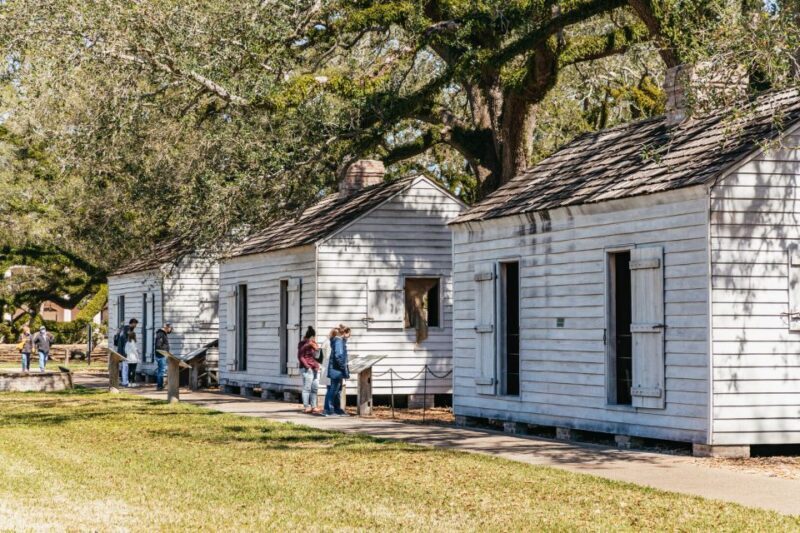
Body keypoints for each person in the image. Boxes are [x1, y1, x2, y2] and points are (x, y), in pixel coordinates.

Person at [323, 325, 350, 417]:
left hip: (336, 370)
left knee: (337, 390)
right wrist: (343, 367)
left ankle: (337, 409)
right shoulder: (338, 341)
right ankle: (329, 410)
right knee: (334, 390)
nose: (349, 336)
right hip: (337, 370)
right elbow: (339, 356)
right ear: (345, 333)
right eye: (349, 334)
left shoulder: (337, 340)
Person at [297, 326, 321, 414]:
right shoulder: (302, 344)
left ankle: (314, 406)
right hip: (306, 368)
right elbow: (300, 356)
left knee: (314, 388)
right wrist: (307, 366)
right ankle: (306, 406)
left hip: (314, 367)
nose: (314, 338)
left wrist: (316, 348)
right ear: (310, 336)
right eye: (313, 337)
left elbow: (317, 356)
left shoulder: (314, 343)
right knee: (307, 388)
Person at [115, 318, 138, 385]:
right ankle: (125, 381)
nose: (136, 326)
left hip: (124, 352)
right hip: (125, 352)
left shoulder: (125, 329)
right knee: (125, 368)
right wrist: (126, 353)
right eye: (135, 324)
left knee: (125, 367)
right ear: (132, 323)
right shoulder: (127, 331)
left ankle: (125, 381)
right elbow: (126, 343)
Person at [154, 323, 173, 391]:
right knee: (161, 371)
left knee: (160, 370)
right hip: (161, 355)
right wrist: (165, 350)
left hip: (162, 354)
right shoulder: (161, 334)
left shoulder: (162, 333)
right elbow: (158, 345)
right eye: (170, 329)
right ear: (167, 328)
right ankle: (159, 386)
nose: (170, 331)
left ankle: (160, 385)